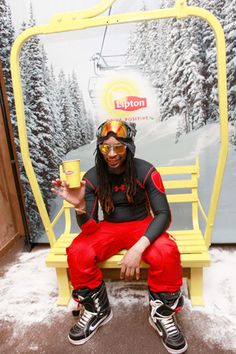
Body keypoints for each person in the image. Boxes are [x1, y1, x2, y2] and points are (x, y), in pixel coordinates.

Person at [51, 119, 188, 354]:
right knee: (78, 250)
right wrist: (80, 206)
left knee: (167, 251)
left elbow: (163, 215)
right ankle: (97, 309)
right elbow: (90, 228)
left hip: (142, 226)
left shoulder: (146, 170)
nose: (112, 154)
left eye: (118, 147)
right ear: (99, 148)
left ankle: (162, 314)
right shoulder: (93, 176)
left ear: (129, 146)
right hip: (109, 228)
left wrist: (138, 248)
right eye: (106, 148)